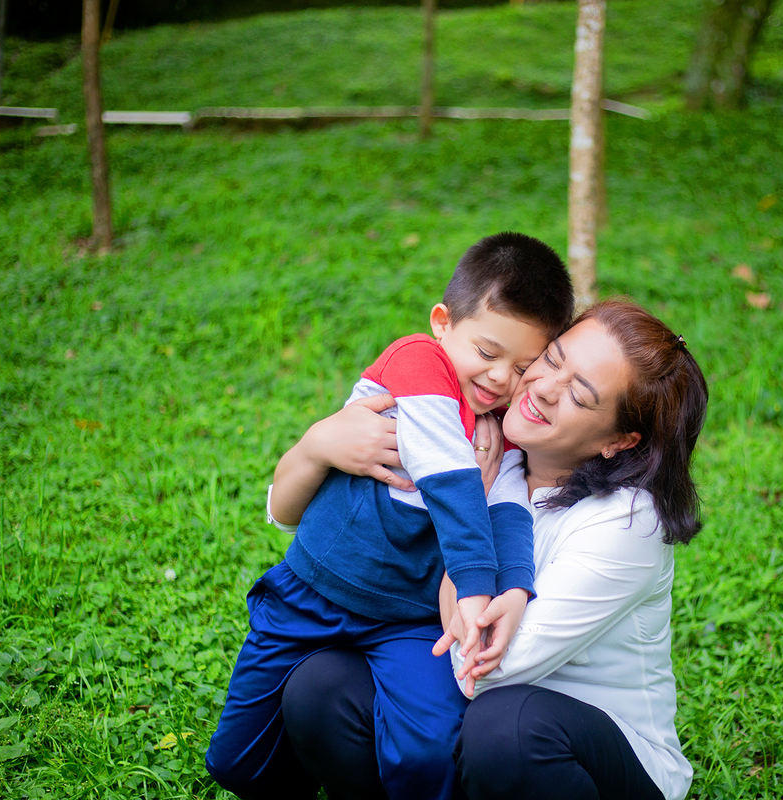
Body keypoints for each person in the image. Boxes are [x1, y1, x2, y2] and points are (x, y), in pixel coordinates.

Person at [278, 299, 708, 800]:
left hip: (584, 759)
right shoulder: (475, 446)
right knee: (322, 685)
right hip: (471, 730)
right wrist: (318, 444)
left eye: (579, 395)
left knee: (508, 726)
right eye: (551, 360)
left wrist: (464, 530)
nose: (542, 388)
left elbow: (489, 667)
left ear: (618, 440)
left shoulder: (627, 523)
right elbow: (321, 532)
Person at [205, 232, 575, 800]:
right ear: (443, 322)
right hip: (311, 592)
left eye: (522, 366)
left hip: (410, 620)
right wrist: (476, 583)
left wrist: (516, 585)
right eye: (486, 352)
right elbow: (449, 478)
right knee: (236, 762)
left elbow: (509, 512)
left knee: (427, 751)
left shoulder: (502, 431)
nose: (501, 379)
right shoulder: (417, 362)